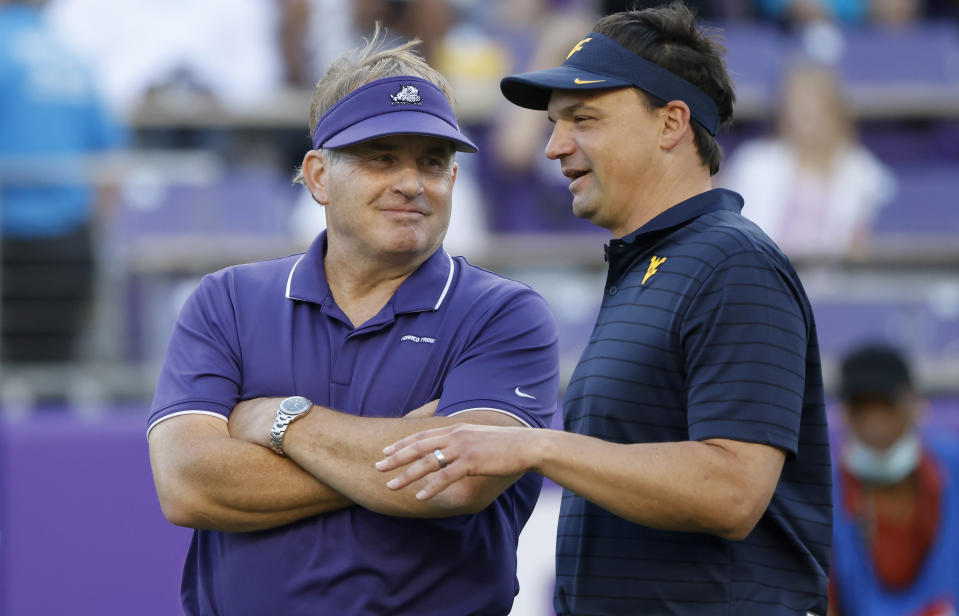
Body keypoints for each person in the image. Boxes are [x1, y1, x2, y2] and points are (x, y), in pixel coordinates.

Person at [376, 4, 833, 615]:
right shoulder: (657, 266)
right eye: (556, 123)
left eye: (583, 119)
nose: (554, 147)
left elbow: (732, 491)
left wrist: (536, 448)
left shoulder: (732, 262)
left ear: (671, 123)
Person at [146, 31, 559, 615]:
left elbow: (459, 480)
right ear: (318, 176)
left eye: (433, 162)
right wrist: (393, 451)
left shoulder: (505, 313)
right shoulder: (227, 300)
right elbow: (187, 486)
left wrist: (281, 422)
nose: (412, 183)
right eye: (380, 158)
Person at [0, 0, 124, 363]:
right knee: (51, 371)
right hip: (69, 242)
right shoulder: (74, 59)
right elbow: (110, 161)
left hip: (10, 240)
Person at [830, 343, 959, 616]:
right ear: (845, 415)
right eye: (861, 408)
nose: (874, 422)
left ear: (914, 406)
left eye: (886, 405)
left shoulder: (952, 470)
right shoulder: (826, 492)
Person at [721, 60, 895, 261]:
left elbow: (874, 232)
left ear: (834, 111)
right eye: (797, 103)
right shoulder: (755, 162)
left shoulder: (862, 170)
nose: (805, 114)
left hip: (837, 284)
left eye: (814, 105)